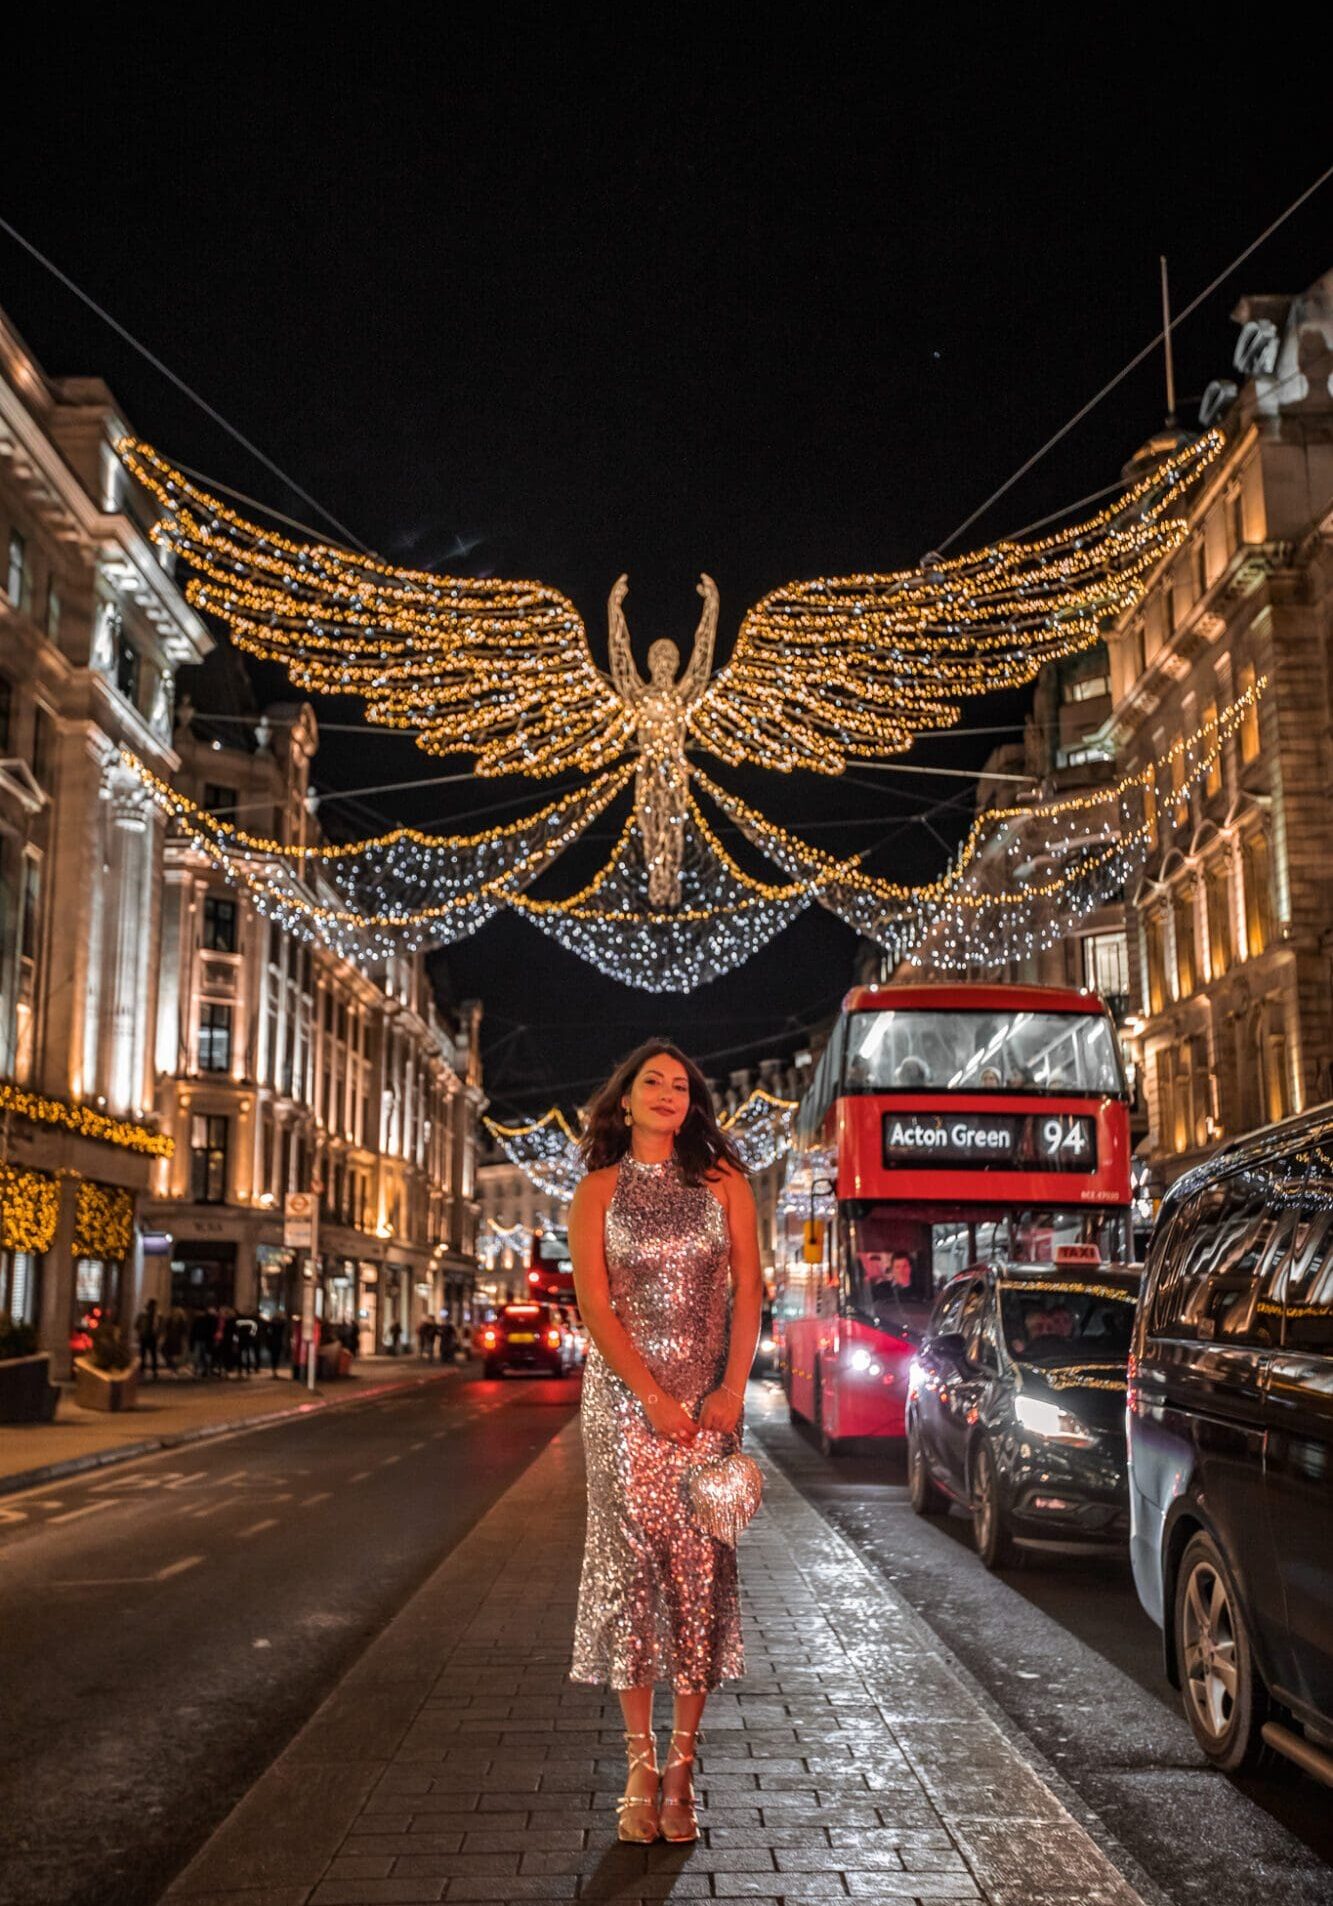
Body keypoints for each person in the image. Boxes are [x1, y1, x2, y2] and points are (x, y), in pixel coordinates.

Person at [569, 1040, 764, 1845]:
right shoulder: (596, 1191)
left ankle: (682, 1770)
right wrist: (647, 1397)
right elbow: (594, 1303)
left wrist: (729, 1388)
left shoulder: (725, 1185)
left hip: (709, 1409)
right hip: (622, 1410)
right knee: (629, 1576)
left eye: (680, 1086)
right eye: (652, 1081)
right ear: (623, 1100)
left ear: (691, 1105)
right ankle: (638, 1767)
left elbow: (749, 1288)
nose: (666, 1093)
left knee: (697, 1579)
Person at [135, 1298, 160, 1380]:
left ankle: (154, 1370)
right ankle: (143, 1370)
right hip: (145, 1337)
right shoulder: (143, 1315)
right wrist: (140, 1333)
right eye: (153, 1306)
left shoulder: (157, 1316)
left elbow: (159, 1327)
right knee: (144, 1354)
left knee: (152, 1355)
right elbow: (137, 1325)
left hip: (152, 1337)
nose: (154, 1308)